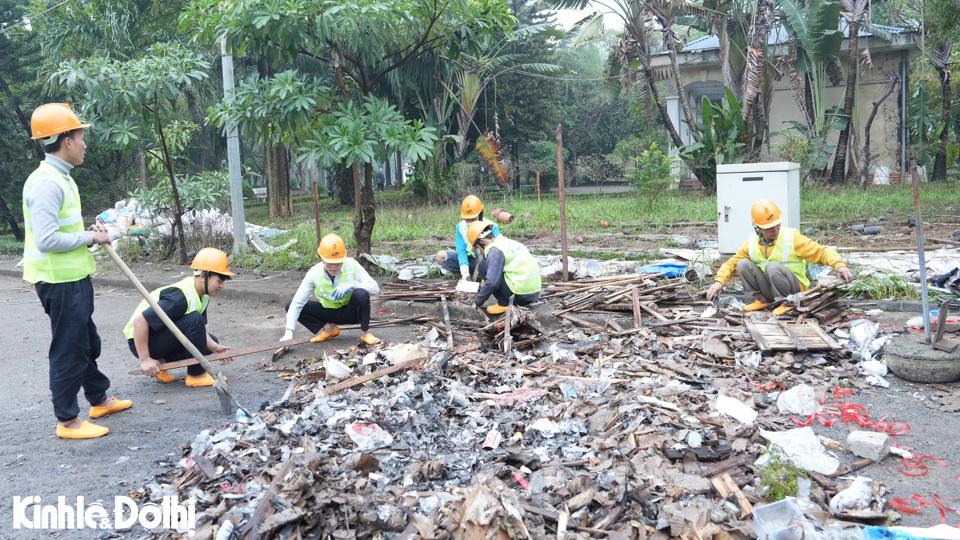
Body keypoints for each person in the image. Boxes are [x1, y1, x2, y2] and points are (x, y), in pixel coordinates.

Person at [22, 103, 132, 439]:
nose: (85, 142)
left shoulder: (61, 177)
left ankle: (97, 399)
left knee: (87, 341)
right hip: (59, 280)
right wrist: (90, 236)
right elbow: (46, 239)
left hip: (73, 276)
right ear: (66, 139)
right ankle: (67, 420)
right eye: (81, 135)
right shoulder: (45, 183)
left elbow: (61, 229)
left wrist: (87, 236)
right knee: (70, 348)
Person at [705, 198, 855, 310]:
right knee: (742, 263)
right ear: (757, 227)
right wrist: (719, 282)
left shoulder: (792, 238)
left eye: (777, 224)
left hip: (794, 290)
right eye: (770, 227)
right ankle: (762, 300)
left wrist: (838, 265)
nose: (775, 229)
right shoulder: (751, 243)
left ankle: (786, 303)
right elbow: (731, 264)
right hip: (770, 289)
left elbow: (821, 252)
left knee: (772, 267)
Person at [124, 248, 235, 386]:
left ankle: (160, 364)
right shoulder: (179, 297)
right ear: (202, 276)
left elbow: (199, 329)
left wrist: (215, 346)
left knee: (210, 341)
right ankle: (196, 375)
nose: (222, 286)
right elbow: (140, 321)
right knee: (194, 319)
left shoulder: (202, 296)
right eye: (219, 281)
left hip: (157, 337)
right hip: (141, 341)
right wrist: (145, 359)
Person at [281, 234, 382, 345]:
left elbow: (375, 288)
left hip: (352, 313)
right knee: (290, 305)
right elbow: (298, 302)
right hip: (328, 313)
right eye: (330, 262)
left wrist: (353, 284)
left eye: (338, 262)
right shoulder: (313, 273)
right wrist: (288, 333)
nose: (334, 266)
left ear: (344, 257)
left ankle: (365, 333)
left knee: (361, 293)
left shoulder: (352, 265)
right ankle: (329, 329)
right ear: (321, 258)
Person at [467, 221, 541, 315]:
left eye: (478, 247)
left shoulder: (495, 250)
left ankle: (503, 304)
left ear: (482, 241)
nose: (481, 251)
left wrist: (478, 301)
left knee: (483, 266)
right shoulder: (507, 242)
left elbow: (492, 283)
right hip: (532, 294)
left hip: (519, 296)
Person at [435, 195, 500, 280]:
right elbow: (461, 251)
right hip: (470, 261)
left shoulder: (492, 226)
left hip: (486, 262)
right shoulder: (460, 227)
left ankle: (485, 277)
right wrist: (465, 272)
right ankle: (470, 276)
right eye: (467, 219)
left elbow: (498, 254)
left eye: (473, 219)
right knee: (441, 256)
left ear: (480, 215)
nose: (469, 222)